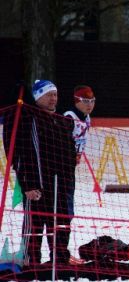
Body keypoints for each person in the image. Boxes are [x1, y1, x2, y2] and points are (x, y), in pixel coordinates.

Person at [2, 80, 76, 266]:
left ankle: (60, 260)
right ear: (37, 97)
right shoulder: (28, 119)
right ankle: (32, 261)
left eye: (55, 94)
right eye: (48, 94)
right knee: (35, 225)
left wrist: (68, 185)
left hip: (60, 185)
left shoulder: (62, 121)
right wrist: (27, 184)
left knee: (61, 225)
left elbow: (69, 155)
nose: (53, 98)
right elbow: (21, 154)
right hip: (37, 185)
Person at [63, 85, 95, 164]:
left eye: (92, 101)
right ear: (77, 101)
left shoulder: (87, 117)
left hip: (73, 160)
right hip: (64, 161)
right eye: (85, 101)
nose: (90, 105)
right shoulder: (69, 118)